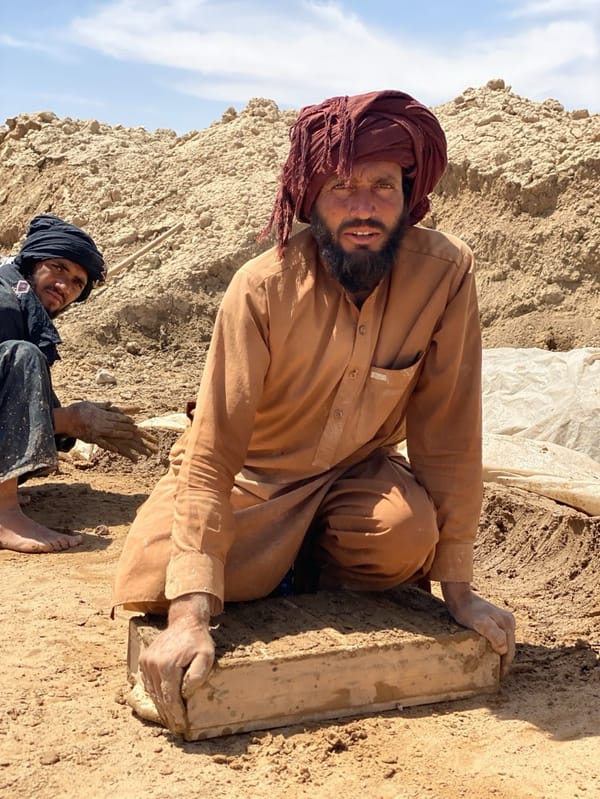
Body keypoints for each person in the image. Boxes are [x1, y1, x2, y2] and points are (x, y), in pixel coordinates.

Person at [112, 90, 516, 733]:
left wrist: (459, 591)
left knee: (405, 535)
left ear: (409, 193)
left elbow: (450, 429)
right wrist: (189, 614)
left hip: (356, 472)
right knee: (163, 569)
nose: (363, 208)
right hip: (253, 475)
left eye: (382, 186)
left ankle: (316, 567)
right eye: (341, 188)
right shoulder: (261, 286)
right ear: (310, 200)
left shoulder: (446, 271)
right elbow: (216, 446)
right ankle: (276, 565)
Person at [0, 214, 156, 554]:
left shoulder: (17, 297)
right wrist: (72, 420)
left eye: (77, 282)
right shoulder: (5, 305)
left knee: (35, 384)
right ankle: (4, 515)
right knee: (22, 357)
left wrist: (66, 420)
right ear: (33, 261)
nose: (64, 286)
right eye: (58, 268)